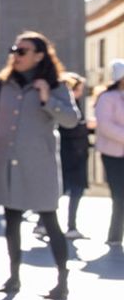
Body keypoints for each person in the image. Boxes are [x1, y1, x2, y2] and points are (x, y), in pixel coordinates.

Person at [0, 32, 79, 299]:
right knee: (11, 221)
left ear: (39, 55)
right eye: (14, 49)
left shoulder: (57, 85)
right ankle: (13, 277)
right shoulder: (1, 84)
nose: (16, 54)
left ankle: (62, 281)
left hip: (39, 164)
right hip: (6, 162)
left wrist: (47, 98)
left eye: (23, 50)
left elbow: (72, 120)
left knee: (50, 220)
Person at [57, 72, 91, 239]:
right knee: (71, 191)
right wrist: (87, 126)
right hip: (71, 154)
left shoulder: (71, 104)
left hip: (73, 153)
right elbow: (70, 128)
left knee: (63, 190)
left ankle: (44, 224)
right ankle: (70, 226)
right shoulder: (68, 106)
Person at [96, 59, 124, 248]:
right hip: (113, 154)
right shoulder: (107, 98)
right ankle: (114, 235)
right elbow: (105, 125)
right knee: (119, 195)